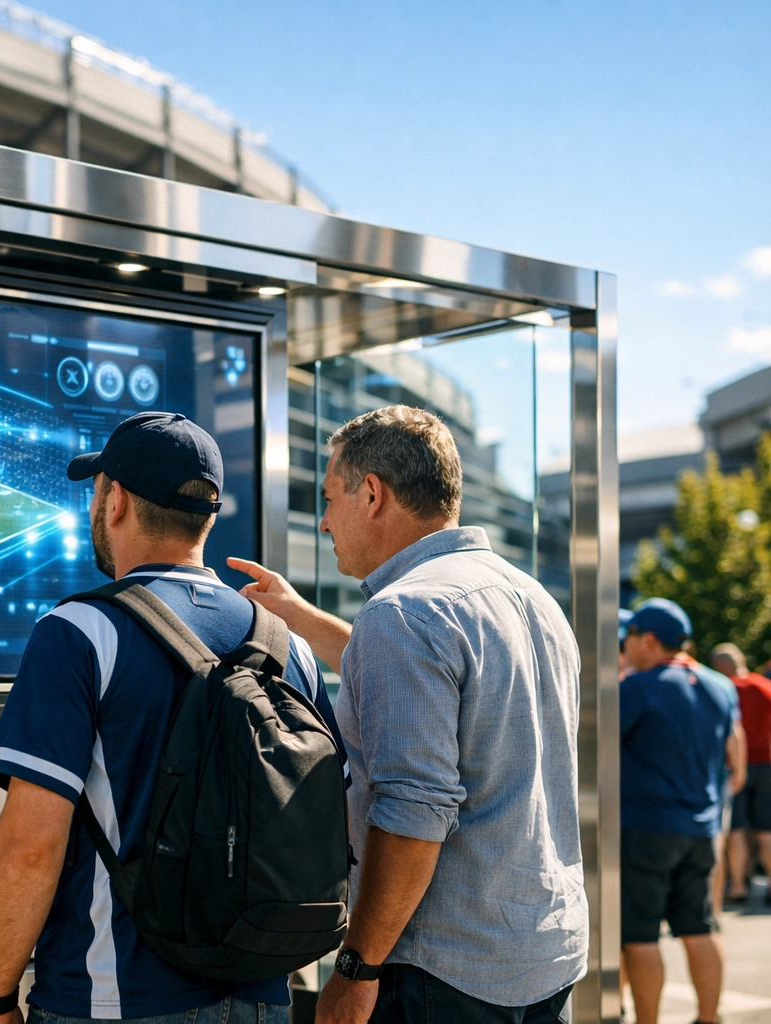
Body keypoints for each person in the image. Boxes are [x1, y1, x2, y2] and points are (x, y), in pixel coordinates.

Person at [0, 411, 343, 1024]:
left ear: (115, 500)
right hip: (260, 997)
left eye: (98, 491)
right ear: (206, 516)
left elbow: (31, 846)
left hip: (111, 1000)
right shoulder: (289, 648)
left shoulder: (79, 631)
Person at [224, 404, 588, 1024]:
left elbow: (414, 813)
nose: (323, 520)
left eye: (329, 498)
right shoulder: (528, 597)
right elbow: (431, 684)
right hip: (542, 955)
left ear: (372, 494)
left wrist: (356, 969)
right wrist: (301, 617)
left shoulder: (405, 614)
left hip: (440, 973)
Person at [618, 600, 745, 1024]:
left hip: (645, 828)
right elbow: (733, 749)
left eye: (629, 637)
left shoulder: (639, 687)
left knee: (639, 936)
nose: (625, 646)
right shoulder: (719, 687)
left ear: (649, 640)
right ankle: (709, 1017)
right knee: (700, 928)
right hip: (702, 828)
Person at [709, 642, 771, 905]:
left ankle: (737, 887)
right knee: (765, 830)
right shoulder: (765, 687)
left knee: (735, 830)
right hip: (767, 765)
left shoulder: (724, 689)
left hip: (734, 767)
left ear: (720, 666)